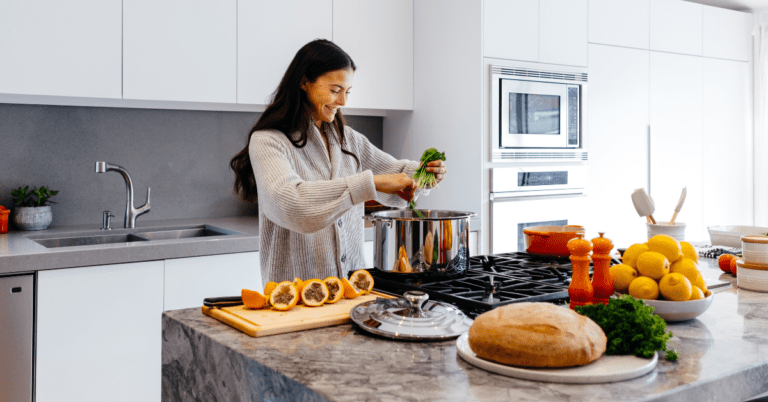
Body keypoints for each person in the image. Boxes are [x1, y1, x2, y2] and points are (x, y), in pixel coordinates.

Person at [230, 39, 447, 285]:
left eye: (347, 91)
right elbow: (291, 204)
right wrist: (370, 184)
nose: (343, 101)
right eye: (335, 90)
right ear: (304, 82)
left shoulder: (348, 140)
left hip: (353, 290)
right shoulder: (268, 141)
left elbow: (397, 174)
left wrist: (426, 173)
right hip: (296, 295)